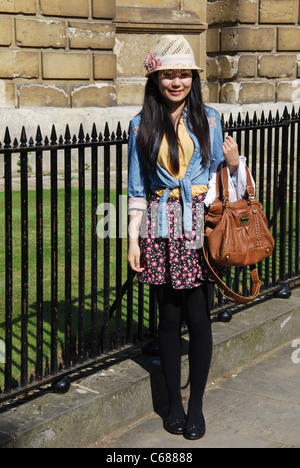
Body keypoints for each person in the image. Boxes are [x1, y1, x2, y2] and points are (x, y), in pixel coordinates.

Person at [127, 35, 253, 441]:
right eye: (168, 75)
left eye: (183, 74)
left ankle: (196, 404)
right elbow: (136, 188)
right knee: (167, 319)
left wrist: (236, 164)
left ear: (193, 79)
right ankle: (174, 406)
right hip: (161, 228)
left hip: (200, 227)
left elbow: (223, 175)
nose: (176, 82)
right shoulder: (139, 125)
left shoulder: (210, 120)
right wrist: (133, 238)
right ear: (156, 78)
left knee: (198, 317)